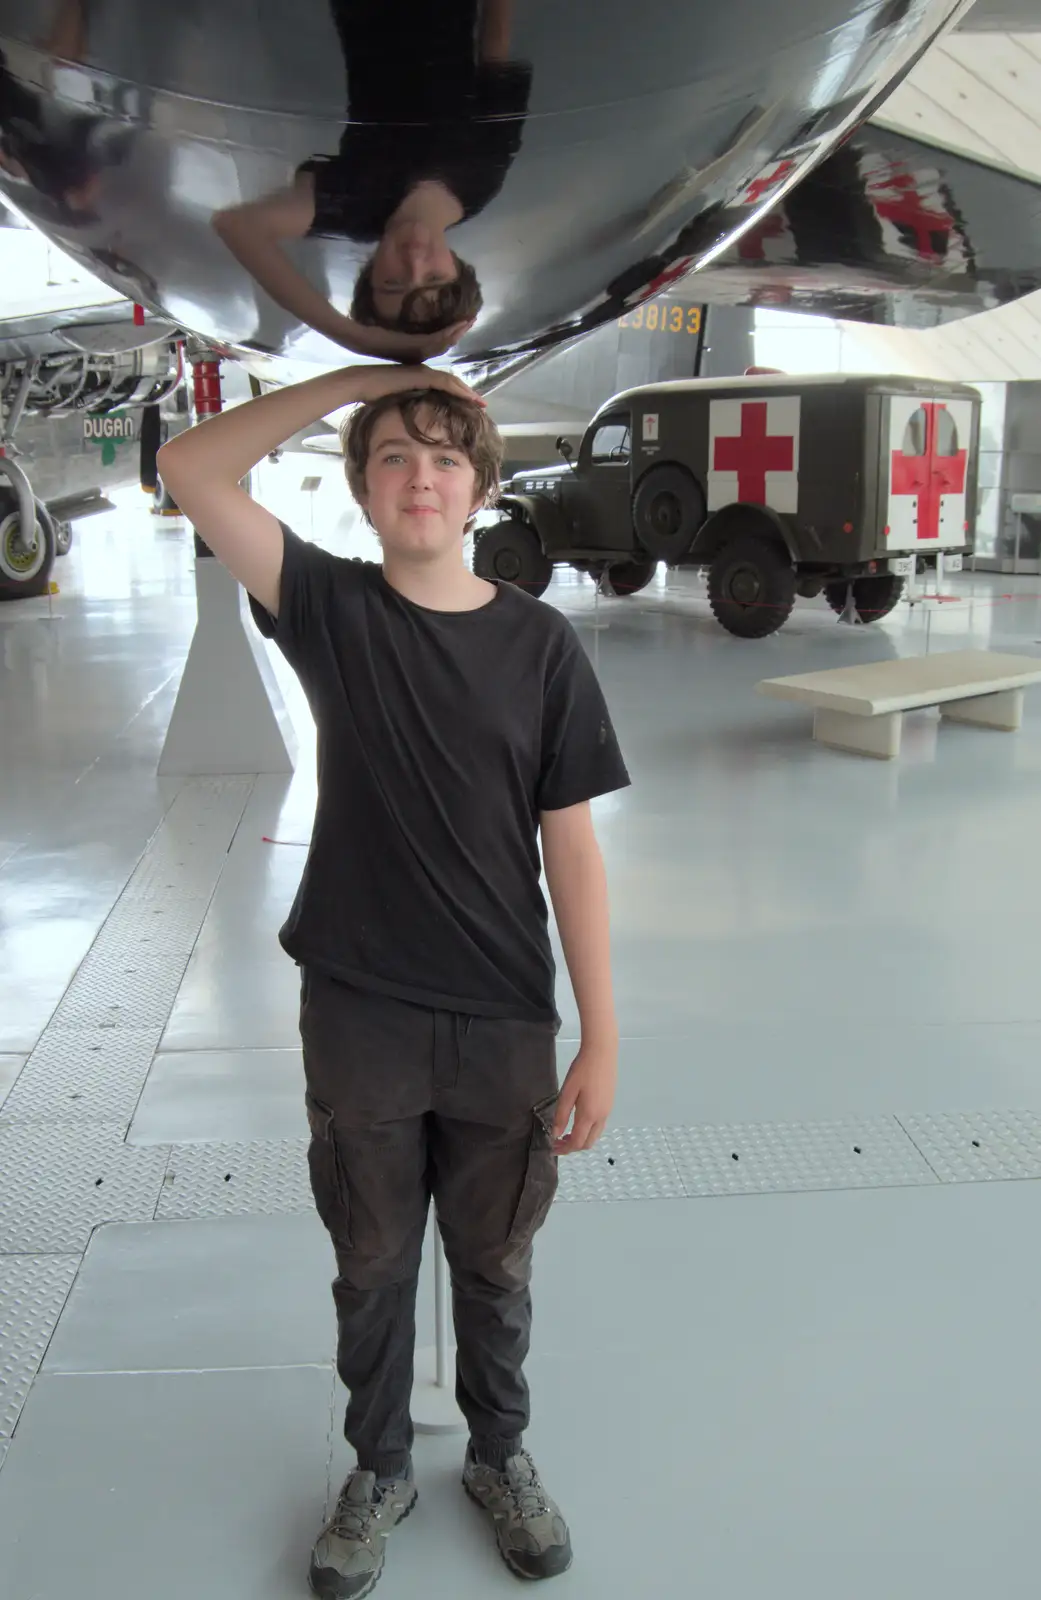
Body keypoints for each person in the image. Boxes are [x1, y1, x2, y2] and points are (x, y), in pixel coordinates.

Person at [155, 359, 629, 1599]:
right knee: (370, 1258)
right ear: (364, 490)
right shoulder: (329, 607)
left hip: (503, 1014)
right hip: (361, 1005)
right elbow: (191, 469)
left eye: (446, 455)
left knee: (497, 1258)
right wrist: (360, 380)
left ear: (480, 487)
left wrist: (604, 1033)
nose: (422, 475)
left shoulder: (541, 645)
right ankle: (376, 1467)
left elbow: (570, 848)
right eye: (394, 456)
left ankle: (500, 1454)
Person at [212, 0, 530, 351]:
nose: (414, 259)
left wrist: (353, 337)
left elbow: (236, 225)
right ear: (459, 268)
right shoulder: (485, 176)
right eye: (435, 278)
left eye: (393, 282)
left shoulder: (357, 206)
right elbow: (495, 53)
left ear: (369, 273)